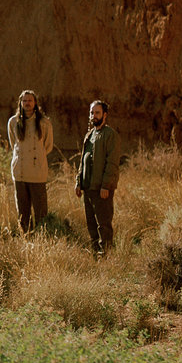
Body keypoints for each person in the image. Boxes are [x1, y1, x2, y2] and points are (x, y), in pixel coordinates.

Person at [75, 99, 121, 257]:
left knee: (104, 224)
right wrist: (78, 182)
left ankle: (106, 255)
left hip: (102, 189)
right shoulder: (89, 135)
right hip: (88, 188)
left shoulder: (110, 135)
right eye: (92, 113)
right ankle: (95, 254)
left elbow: (112, 163)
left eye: (97, 113)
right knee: (91, 223)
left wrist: (106, 186)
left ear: (104, 115)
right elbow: (83, 160)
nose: (94, 116)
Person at [7, 89, 54, 233]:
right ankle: (25, 237)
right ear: (20, 103)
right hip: (20, 173)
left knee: (40, 210)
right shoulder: (13, 122)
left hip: (37, 173)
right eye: (24, 101)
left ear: (35, 103)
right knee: (23, 211)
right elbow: (13, 144)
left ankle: (42, 237)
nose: (27, 103)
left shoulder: (44, 122)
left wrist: (37, 157)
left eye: (30, 100)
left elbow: (47, 146)